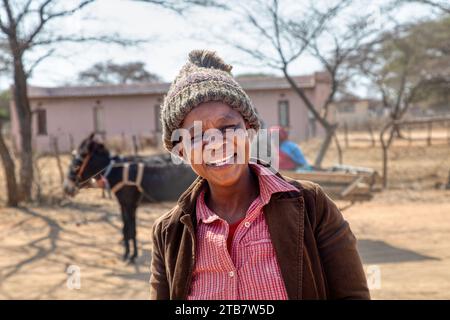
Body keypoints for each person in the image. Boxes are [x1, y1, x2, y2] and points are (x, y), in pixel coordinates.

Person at [149, 49, 369, 300]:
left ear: (250, 130)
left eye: (228, 127)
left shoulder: (311, 206)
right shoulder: (169, 233)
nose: (215, 143)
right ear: (180, 150)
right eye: (196, 135)